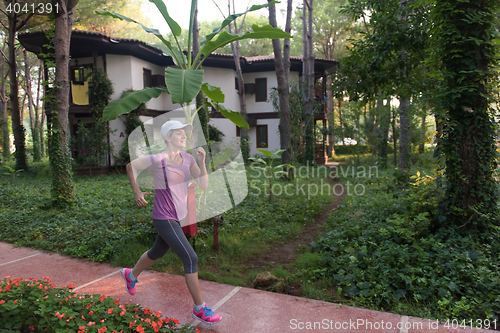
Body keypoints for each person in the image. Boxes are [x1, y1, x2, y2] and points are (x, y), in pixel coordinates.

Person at [122, 120, 222, 324]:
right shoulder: (157, 159)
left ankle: (130, 275)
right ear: (168, 137)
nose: (184, 136)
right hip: (163, 217)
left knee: (156, 252)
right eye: (179, 133)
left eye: (185, 133)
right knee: (191, 258)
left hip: (178, 217)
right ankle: (200, 309)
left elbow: (203, 185)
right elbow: (130, 166)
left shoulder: (188, 159)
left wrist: (202, 163)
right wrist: (137, 192)